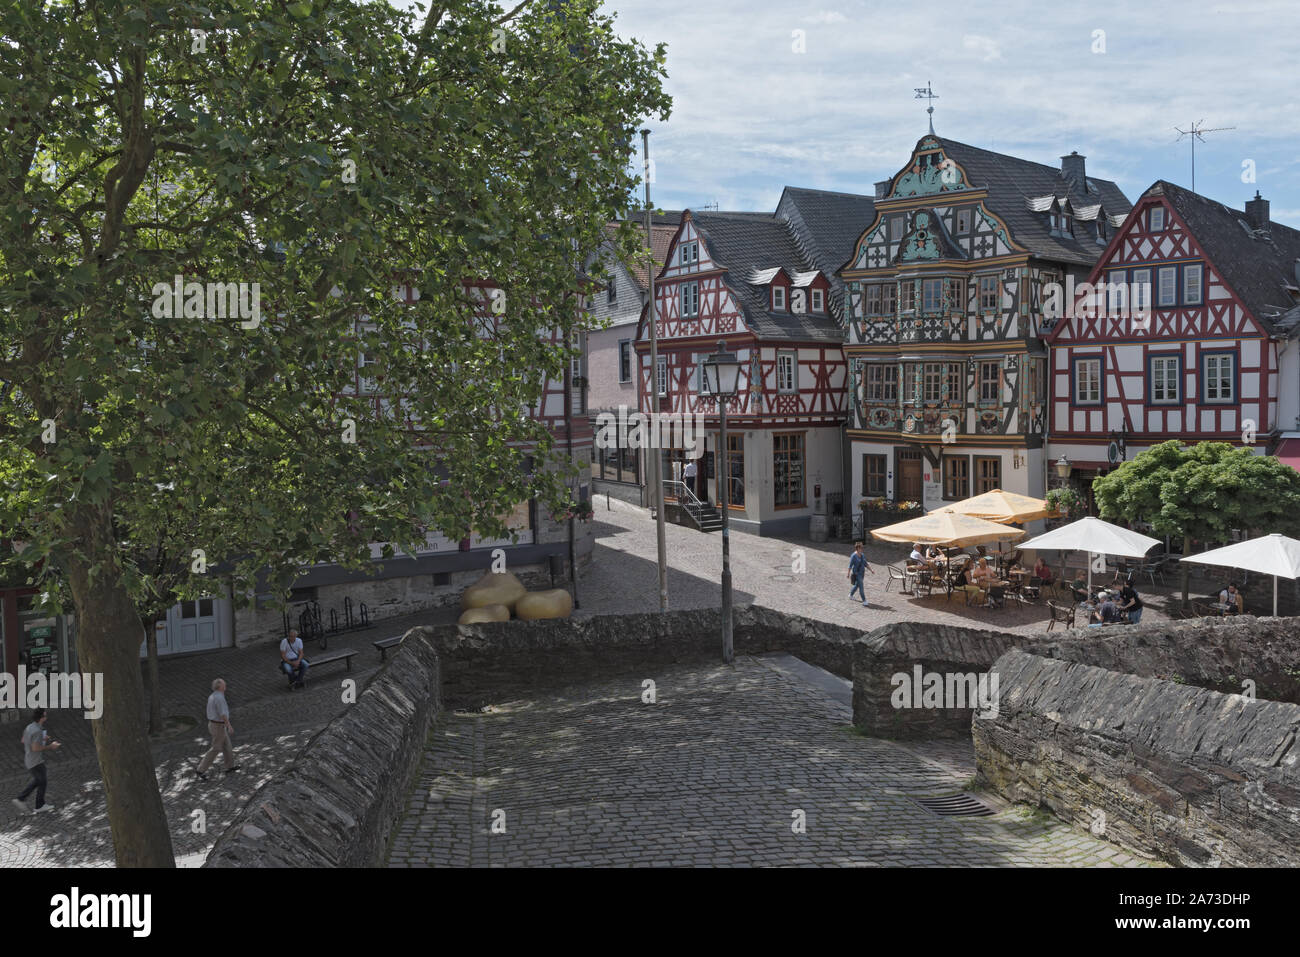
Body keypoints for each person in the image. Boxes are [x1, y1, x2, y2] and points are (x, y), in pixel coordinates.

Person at [12, 709, 60, 814]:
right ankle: (31, 802)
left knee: (39, 781)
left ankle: (29, 801)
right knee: (42, 781)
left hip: (29, 760)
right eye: (45, 715)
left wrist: (43, 738)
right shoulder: (38, 731)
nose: (46, 717)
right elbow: (35, 748)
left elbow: (24, 740)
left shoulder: (30, 727)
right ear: (42, 718)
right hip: (36, 762)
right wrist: (51, 746)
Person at [196, 678, 238, 780]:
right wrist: (229, 726)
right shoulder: (219, 698)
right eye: (224, 684)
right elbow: (223, 714)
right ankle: (200, 770)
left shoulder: (213, 695)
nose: (226, 685)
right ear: (220, 686)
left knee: (227, 745)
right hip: (218, 726)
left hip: (215, 725)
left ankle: (230, 766)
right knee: (216, 748)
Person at [848, 542, 873, 607]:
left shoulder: (862, 555)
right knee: (861, 587)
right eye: (861, 548)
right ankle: (864, 601)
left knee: (857, 585)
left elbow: (865, 563)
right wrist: (848, 574)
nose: (862, 549)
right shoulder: (853, 556)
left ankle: (850, 595)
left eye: (862, 548)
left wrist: (871, 570)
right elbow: (850, 566)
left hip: (862, 573)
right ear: (858, 548)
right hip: (857, 574)